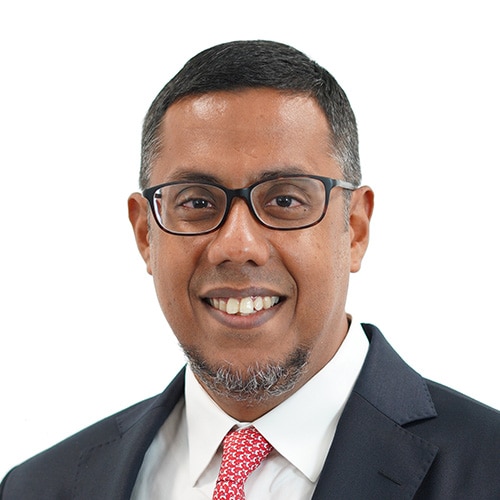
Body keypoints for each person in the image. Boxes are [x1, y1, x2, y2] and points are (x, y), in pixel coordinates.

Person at [1, 40, 499, 500]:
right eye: (197, 202)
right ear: (145, 235)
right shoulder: (35, 489)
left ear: (355, 228)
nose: (237, 246)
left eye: (285, 200)